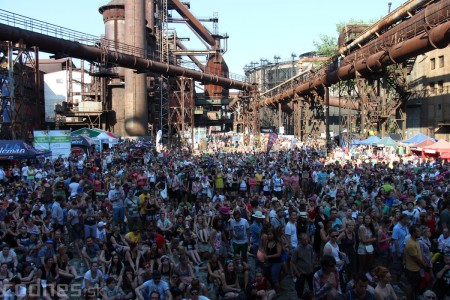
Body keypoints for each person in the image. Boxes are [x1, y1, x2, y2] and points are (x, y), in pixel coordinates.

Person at [404, 224, 427, 300]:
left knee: (414, 285)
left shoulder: (415, 240)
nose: (420, 232)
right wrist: (424, 265)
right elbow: (416, 258)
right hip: (412, 269)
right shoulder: (411, 244)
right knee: (411, 285)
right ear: (413, 233)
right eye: (418, 231)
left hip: (415, 268)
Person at [291, 233, 314, 299]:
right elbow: (292, 262)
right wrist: (297, 272)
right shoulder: (297, 250)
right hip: (301, 272)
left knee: (312, 285)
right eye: (304, 240)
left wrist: (312, 265)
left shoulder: (310, 247)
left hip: (310, 271)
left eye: (306, 239)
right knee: (300, 288)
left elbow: (312, 257)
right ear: (300, 240)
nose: (306, 241)